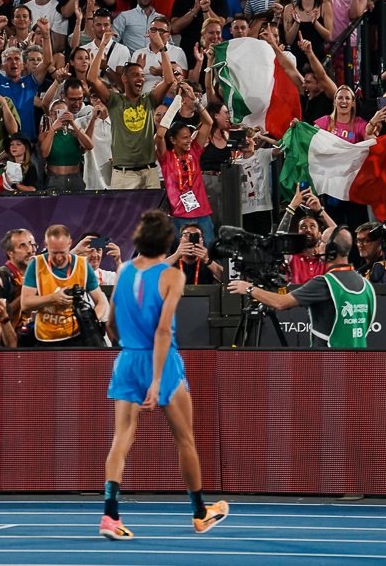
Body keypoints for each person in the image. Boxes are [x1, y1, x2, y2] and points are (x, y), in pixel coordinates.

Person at [101, 209, 229, 539]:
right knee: (184, 439)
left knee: (121, 438)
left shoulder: (124, 270)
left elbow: (110, 324)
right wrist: (156, 380)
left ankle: (110, 516)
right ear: (168, 241)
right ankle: (200, 513)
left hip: (127, 359)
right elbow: (162, 331)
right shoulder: (172, 276)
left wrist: (129, 348)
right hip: (162, 362)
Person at [229, 225, 376, 348]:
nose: (318, 246)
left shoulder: (325, 283)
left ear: (331, 249)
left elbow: (281, 303)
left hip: (328, 364)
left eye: (322, 242)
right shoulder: (366, 285)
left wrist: (249, 288)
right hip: (357, 365)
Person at [88, 29, 174, 190]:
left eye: (142, 75)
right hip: (123, 174)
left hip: (149, 171)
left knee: (153, 208)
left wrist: (162, 47)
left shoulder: (149, 100)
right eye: (135, 75)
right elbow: (92, 79)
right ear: (124, 78)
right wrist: (103, 46)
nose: (141, 78)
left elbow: (169, 80)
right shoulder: (115, 100)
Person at [20, 223, 107, 346]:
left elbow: (101, 302)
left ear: (69, 244)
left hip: (76, 335)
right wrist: (53, 297)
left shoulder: (82, 265)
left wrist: (91, 320)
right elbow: (25, 304)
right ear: (46, 245)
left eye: (62, 252)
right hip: (45, 337)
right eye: (54, 253)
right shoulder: (36, 264)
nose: (59, 258)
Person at [155, 85, 215, 245]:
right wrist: (175, 103)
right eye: (184, 138)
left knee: (208, 252)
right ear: (173, 140)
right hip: (178, 216)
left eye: (189, 136)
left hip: (202, 213)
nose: (189, 140)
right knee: (181, 254)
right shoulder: (166, 157)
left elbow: (208, 123)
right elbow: (160, 136)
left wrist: (194, 100)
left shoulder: (194, 150)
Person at [277, 185, 338, 284]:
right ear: (298, 233)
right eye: (303, 226)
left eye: (312, 226)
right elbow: (278, 238)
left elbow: (340, 236)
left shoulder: (326, 258)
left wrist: (319, 210)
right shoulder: (292, 257)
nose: (308, 230)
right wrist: (292, 206)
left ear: (320, 234)